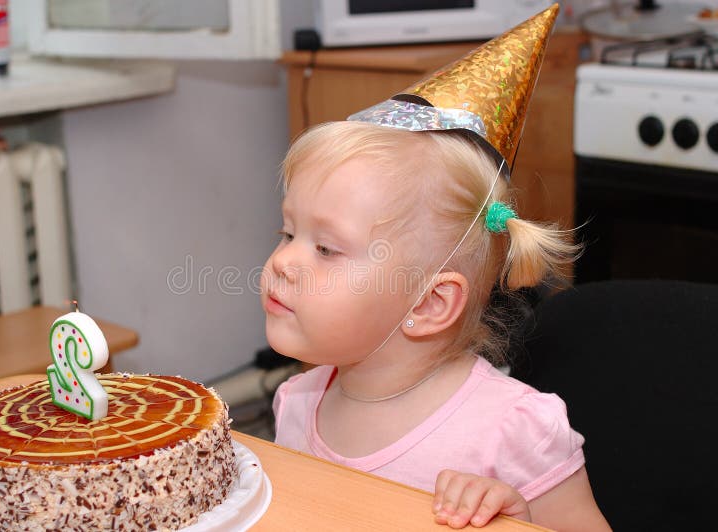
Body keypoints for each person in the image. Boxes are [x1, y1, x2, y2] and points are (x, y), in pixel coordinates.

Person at [261, 5, 610, 531]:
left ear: (428, 303)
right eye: (289, 233)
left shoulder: (510, 432)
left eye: (326, 249)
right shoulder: (296, 404)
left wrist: (517, 519)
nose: (284, 260)